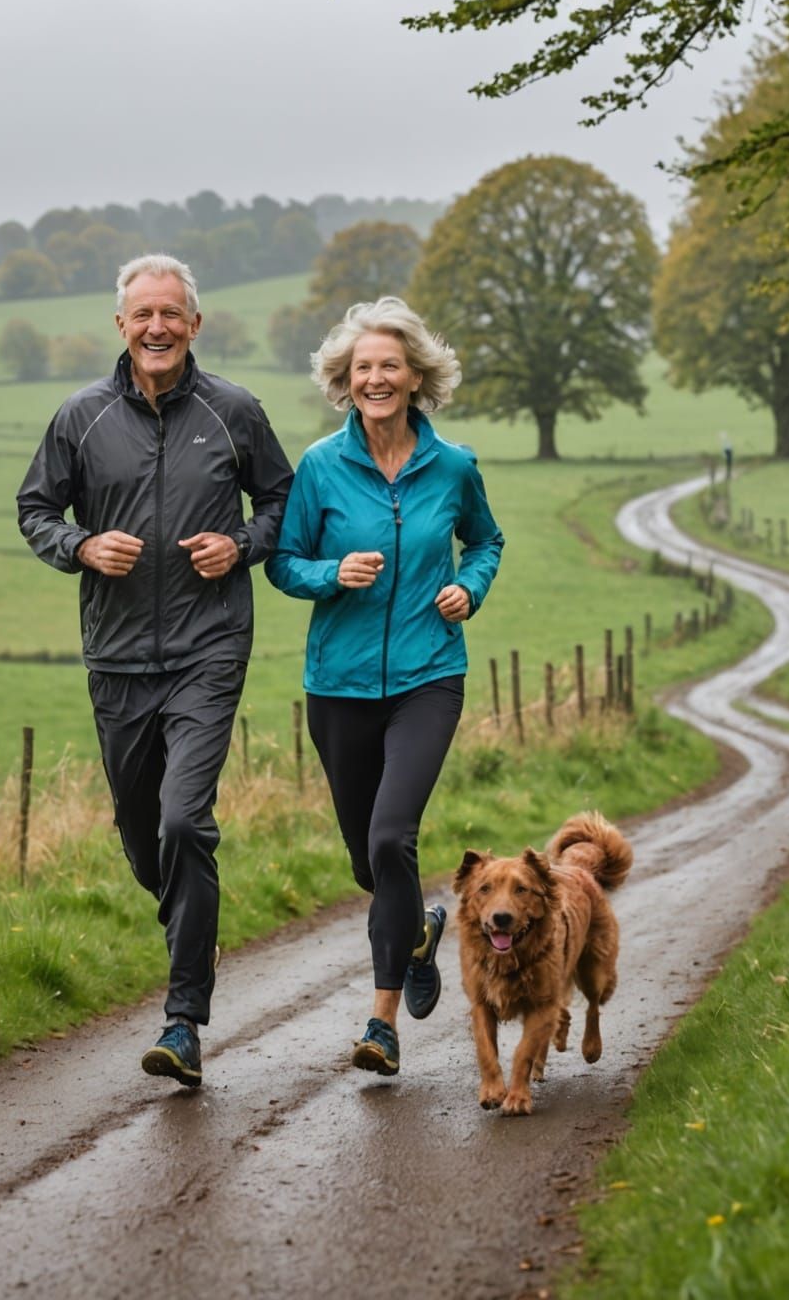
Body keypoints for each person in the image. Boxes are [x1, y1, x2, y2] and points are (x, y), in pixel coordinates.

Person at [17, 253, 293, 1087]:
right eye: (143, 314)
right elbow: (35, 508)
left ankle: (183, 1021)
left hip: (210, 648)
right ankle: (192, 913)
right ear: (121, 325)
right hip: (118, 656)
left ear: (195, 324)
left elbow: (283, 501)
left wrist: (241, 545)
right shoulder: (82, 419)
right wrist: (81, 546)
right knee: (145, 842)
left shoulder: (234, 412)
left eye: (172, 313)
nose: (158, 327)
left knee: (182, 824)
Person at [267, 296, 504, 1076]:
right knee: (368, 866)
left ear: (414, 377)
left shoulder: (454, 466)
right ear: (345, 379)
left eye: (389, 366)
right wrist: (332, 574)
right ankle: (418, 931)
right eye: (362, 367)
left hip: (428, 675)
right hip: (337, 685)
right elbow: (283, 561)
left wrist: (469, 588)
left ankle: (381, 1021)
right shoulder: (321, 467)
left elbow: (486, 541)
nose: (376, 378)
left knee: (389, 837)